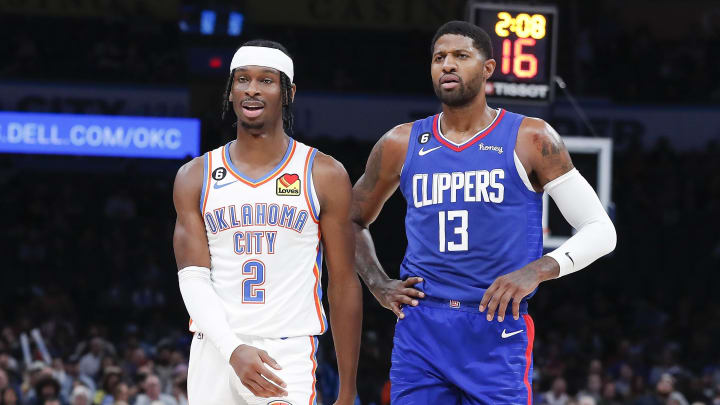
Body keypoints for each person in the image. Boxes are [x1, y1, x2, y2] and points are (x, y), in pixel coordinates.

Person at [351, 20, 617, 404]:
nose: (447, 65)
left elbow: (600, 230)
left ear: (487, 68)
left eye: (461, 56)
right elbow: (351, 219)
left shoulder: (532, 138)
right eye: (439, 58)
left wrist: (538, 269)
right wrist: (377, 282)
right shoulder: (400, 142)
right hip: (422, 327)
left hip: (495, 326)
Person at [174, 39, 362, 405]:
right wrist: (232, 349)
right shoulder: (195, 175)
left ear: (289, 92)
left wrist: (348, 389)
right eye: (242, 80)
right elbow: (193, 278)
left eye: (266, 80)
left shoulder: (323, 173)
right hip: (215, 348)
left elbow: (342, 284)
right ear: (230, 92)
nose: (253, 89)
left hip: (285, 351)